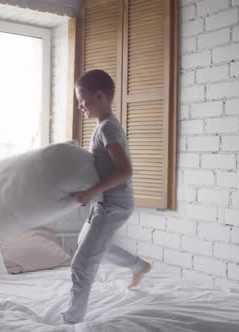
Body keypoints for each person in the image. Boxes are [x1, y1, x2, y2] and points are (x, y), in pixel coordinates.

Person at [61, 70, 152, 324]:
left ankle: (71, 321)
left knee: (81, 264)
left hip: (114, 204)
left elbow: (125, 170)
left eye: (82, 100)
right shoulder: (104, 126)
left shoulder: (108, 128)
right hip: (105, 202)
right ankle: (139, 266)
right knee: (88, 243)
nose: (80, 106)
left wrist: (91, 192)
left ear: (99, 96)